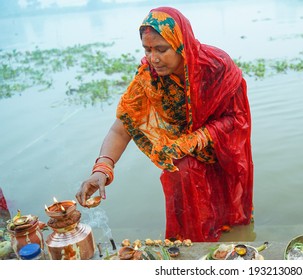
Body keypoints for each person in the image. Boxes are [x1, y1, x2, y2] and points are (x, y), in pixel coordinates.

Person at [75, 7, 254, 242]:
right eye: (147, 50)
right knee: (185, 184)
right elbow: (121, 128)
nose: (153, 58)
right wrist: (102, 169)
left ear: (181, 44)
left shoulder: (216, 67)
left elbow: (237, 118)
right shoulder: (149, 78)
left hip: (221, 152)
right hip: (183, 158)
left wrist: (196, 138)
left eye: (161, 49)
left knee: (229, 217)